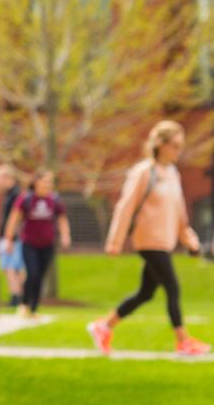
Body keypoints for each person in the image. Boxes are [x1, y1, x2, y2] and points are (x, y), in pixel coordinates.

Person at [90, 121, 209, 357]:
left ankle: (104, 326)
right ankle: (183, 341)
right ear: (160, 144)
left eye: (180, 146)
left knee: (146, 293)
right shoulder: (144, 172)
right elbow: (125, 207)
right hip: (148, 241)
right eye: (174, 145)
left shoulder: (173, 174)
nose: (178, 151)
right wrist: (114, 241)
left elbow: (180, 216)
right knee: (173, 288)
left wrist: (190, 242)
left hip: (165, 242)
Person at [0, 168, 70, 317]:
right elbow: (14, 219)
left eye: (50, 182)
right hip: (29, 243)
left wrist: (65, 235)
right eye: (45, 181)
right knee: (32, 273)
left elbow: (62, 219)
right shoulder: (26, 199)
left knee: (40, 276)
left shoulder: (55, 199)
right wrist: (9, 239)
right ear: (36, 182)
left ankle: (34, 308)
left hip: (47, 244)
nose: (47, 184)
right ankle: (24, 304)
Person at [0, 164, 26, 306]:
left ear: (8, 177)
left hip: (12, 239)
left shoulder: (16, 195)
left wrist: (10, 239)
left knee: (11, 267)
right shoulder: (11, 194)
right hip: (10, 238)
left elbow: (16, 219)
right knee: (11, 267)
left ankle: (17, 297)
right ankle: (17, 296)